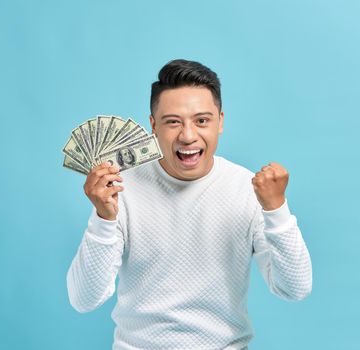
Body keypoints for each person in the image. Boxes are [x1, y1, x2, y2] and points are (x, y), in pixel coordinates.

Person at [67, 59, 312, 350]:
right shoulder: (121, 189)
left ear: (220, 121)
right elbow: (83, 300)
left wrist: (277, 210)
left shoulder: (247, 190)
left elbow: (294, 288)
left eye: (202, 120)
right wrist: (103, 219)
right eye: (173, 122)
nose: (188, 135)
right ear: (153, 126)